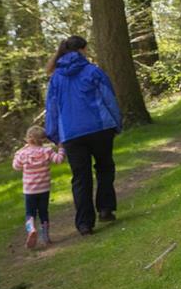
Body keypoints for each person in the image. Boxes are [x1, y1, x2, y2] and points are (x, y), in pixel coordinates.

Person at [44, 36, 123, 236]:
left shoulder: (56, 79)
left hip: (71, 134)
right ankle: (105, 208)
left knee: (80, 177)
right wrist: (116, 123)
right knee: (105, 167)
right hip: (99, 128)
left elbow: (52, 109)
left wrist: (55, 135)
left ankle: (84, 224)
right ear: (82, 49)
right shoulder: (93, 71)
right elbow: (109, 98)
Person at [12, 126, 66, 248]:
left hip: (29, 190)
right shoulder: (47, 151)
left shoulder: (23, 153)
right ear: (43, 139)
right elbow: (59, 160)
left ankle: (31, 228)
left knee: (29, 213)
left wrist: (17, 154)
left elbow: (16, 166)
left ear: (28, 138)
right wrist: (61, 148)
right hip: (44, 189)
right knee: (43, 212)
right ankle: (45, 237)